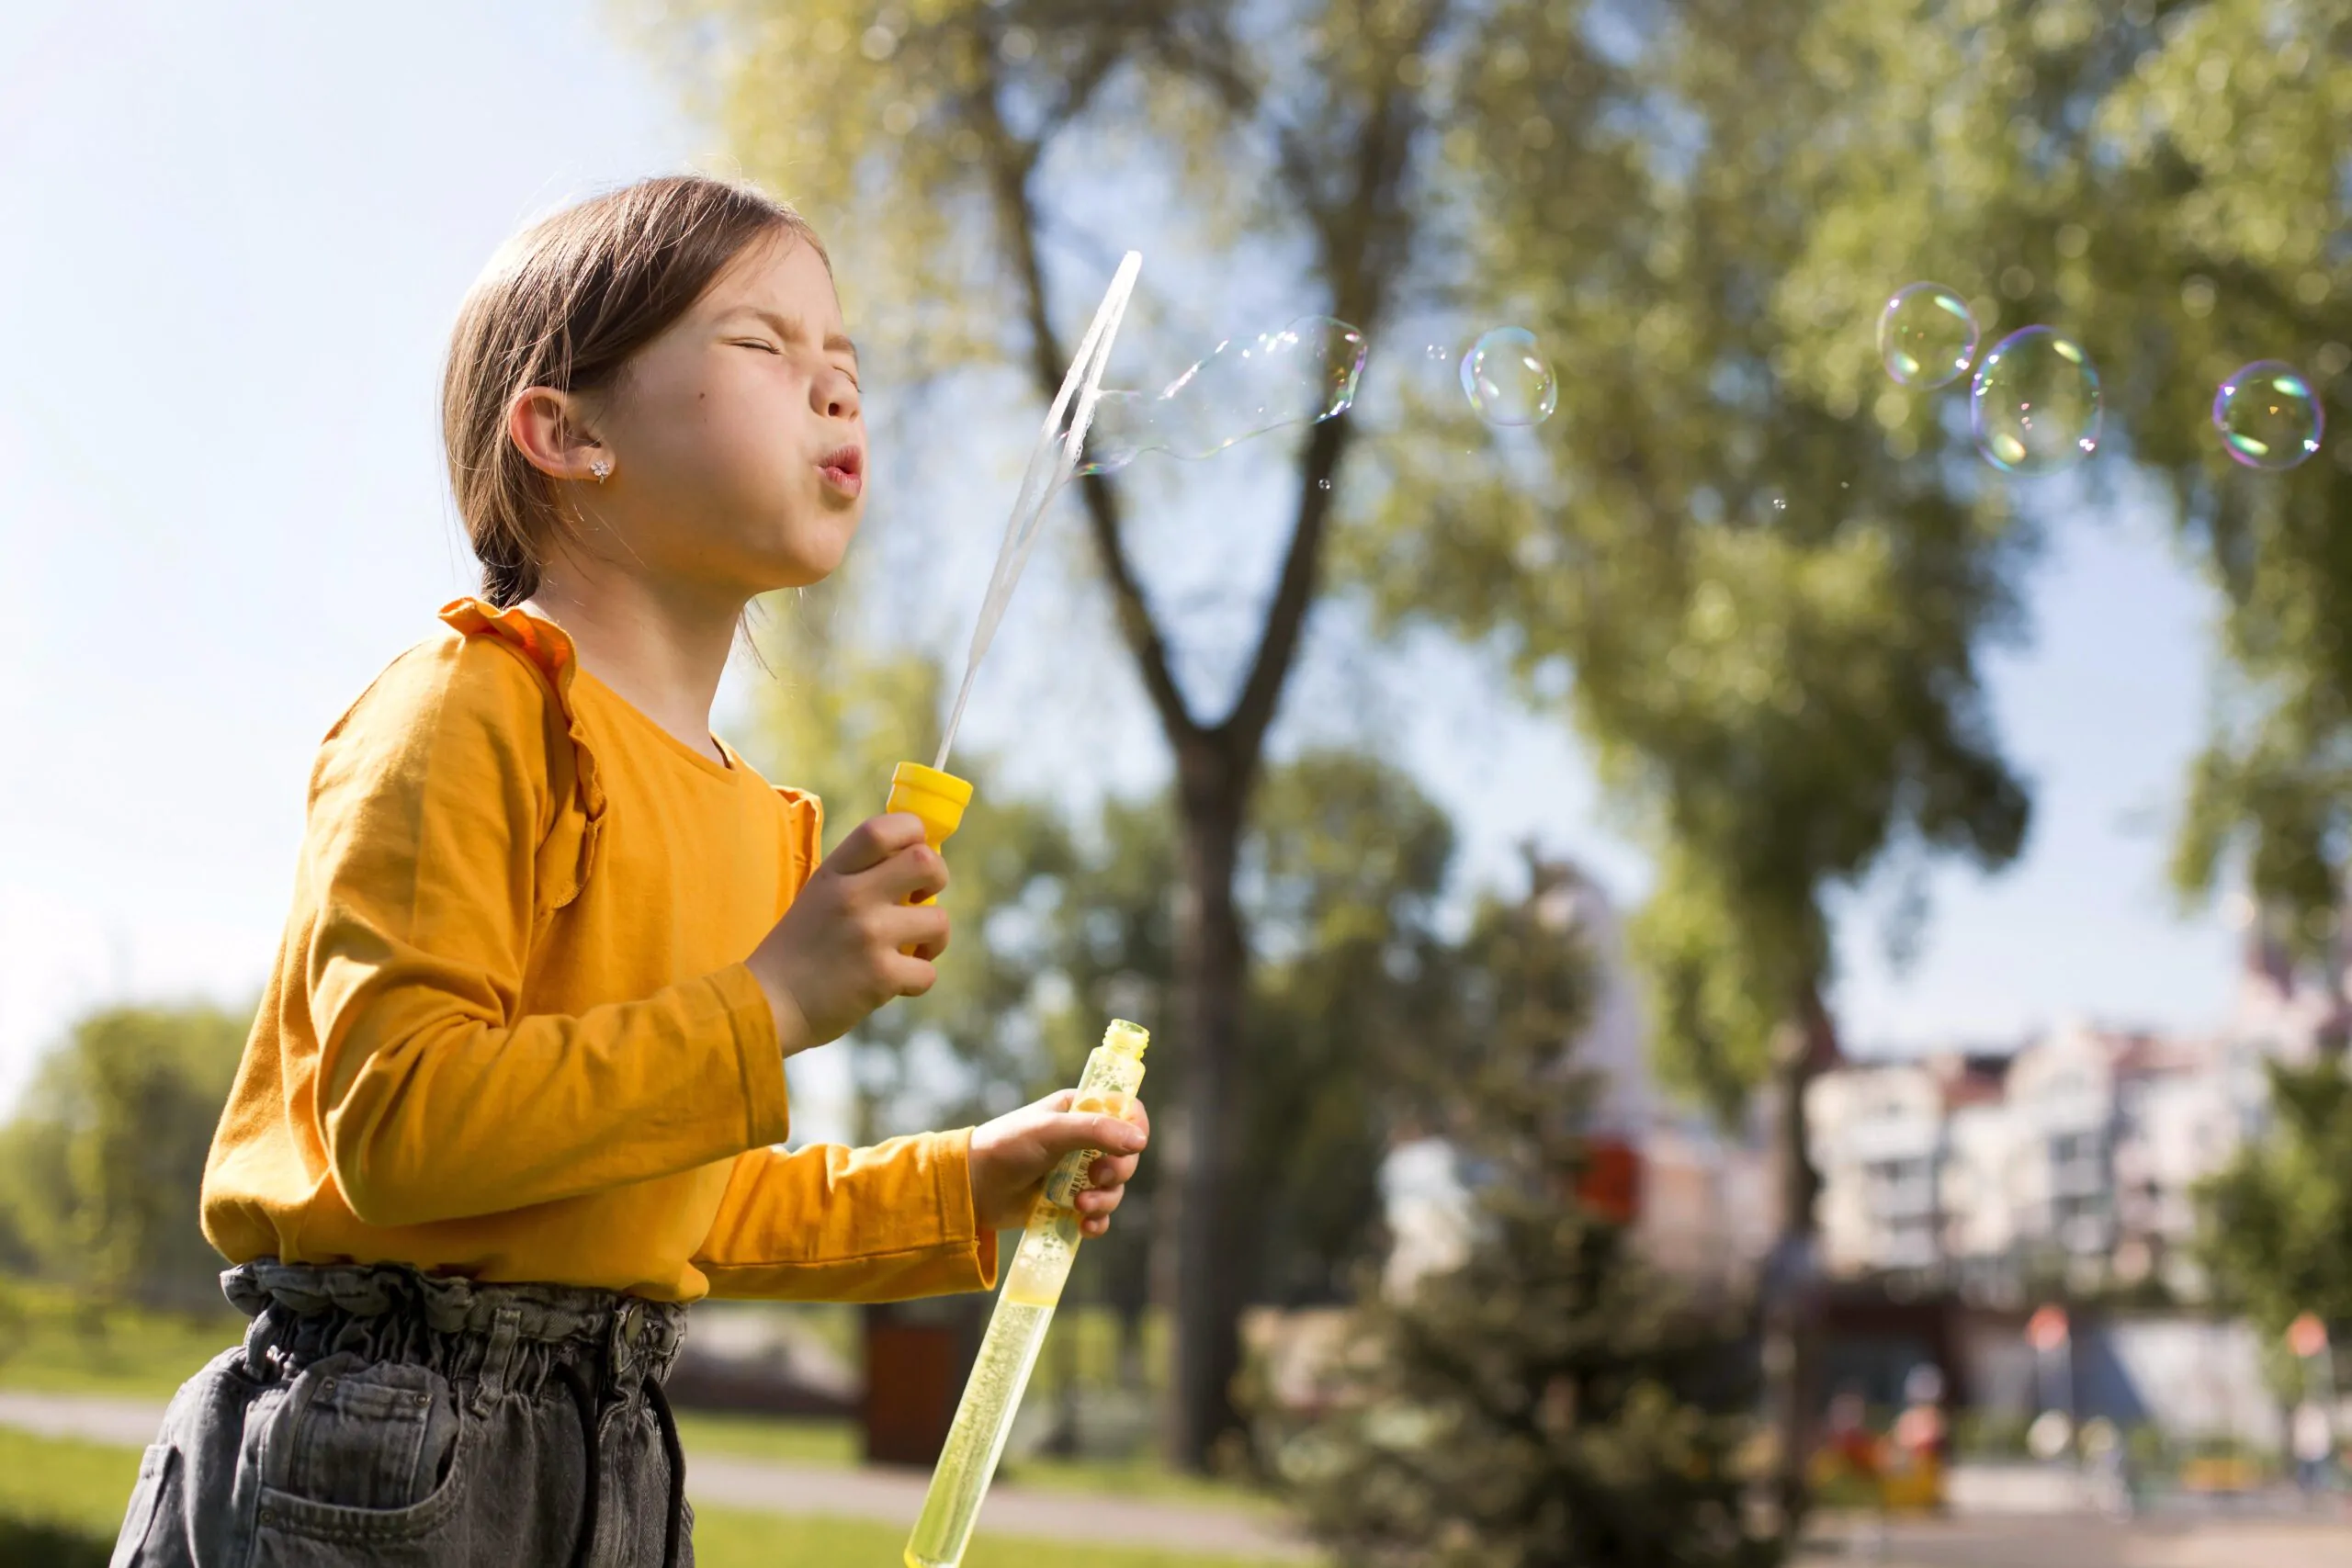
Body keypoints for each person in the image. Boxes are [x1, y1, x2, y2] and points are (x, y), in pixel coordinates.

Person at [107, 175, 1150, 1567]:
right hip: (379, 1442)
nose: (838, 392)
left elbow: (676, 1198)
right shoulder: (468, 706)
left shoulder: (743, 810)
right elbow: (401, 1121)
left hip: (610, 1450)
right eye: (766, 346)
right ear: (566, 430)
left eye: (846, 365)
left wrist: (966, 1184)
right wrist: (767, 1005)